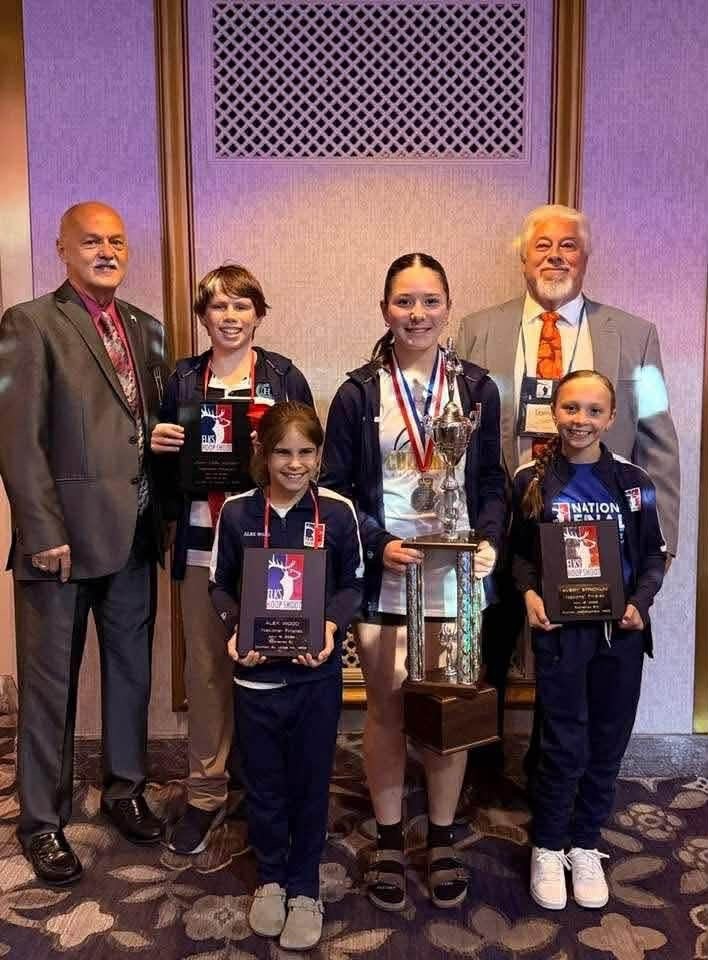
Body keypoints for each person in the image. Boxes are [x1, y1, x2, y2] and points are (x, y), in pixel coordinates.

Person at [456, 203, 679, 758]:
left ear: (586, 256)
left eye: (569, 245)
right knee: (488, 646)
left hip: (597, 535)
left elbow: (659, 437)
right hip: (505, 528)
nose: (555, 257)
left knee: (574, 663)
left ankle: (550, 775)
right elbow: (458, 436)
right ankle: (481, 767)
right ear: (523, 259)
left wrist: (662, 540)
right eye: (542, 246)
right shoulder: (477, 331)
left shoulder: (637, 336)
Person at [320, 253, 506, 911]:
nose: (417, 314)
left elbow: (490, 482)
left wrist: (488, 539)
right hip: (387, 576)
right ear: (384, 310)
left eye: (430, 301)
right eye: (404, 301)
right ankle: (394, 838)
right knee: (388, 709)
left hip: (454, 578)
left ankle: (446, 836)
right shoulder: (358, 393)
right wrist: (377, 540)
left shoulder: (478, 388)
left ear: (447, 307)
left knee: (445, 711)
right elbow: (335, 489)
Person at [0, 202, 169, 885]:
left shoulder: (148, 331)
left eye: (117, 241)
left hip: (134, 534)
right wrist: (41, 532)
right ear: (63, 249)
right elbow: (16, 437)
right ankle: (42, 820)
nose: (107, 250)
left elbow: (146, 427)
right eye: (92, 240)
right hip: (60, 544)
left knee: (131, 675)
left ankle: (126, 789)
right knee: (48, 688)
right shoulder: (30, 323)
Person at [150, 264, 313, 855]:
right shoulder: (184, 379)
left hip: (271, 550)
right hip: (200, 547)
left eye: (242, 306)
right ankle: (204, 796)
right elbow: (164, 468)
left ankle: (265, 785)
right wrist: (160, 446)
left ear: (258, 314)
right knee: (208, 671)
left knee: (274, 664)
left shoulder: (283, 375)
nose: (231, 317)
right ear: (204, 316)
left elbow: (305, 462)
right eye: (219, 307)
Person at [209, 402, 363, 950]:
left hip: (314, 678)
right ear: (263, 455)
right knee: (264, 785)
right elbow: (221, 586)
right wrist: (234, 630)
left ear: (319, 455)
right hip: (255, 678)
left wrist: (328, 627)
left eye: (305, 452)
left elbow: (352, 586)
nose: (293, 464)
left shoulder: (339, 513)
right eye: (282, 452)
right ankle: (271, 877)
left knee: (309, 783)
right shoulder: (238, 512)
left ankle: (304, 886)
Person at [510, 370, 666, 911]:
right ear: (554, 411)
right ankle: (549, 845)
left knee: (607, 743)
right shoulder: (531, 477)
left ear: (611, 417)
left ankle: (586, 842)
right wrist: (529, 594)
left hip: (618, 638)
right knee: (561, 744)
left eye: (593, 411)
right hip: (560, 637)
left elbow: (652, 557)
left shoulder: (633, 481)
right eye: (571, 408)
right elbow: (520, 556)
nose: (581, 420)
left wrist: (638, 604)